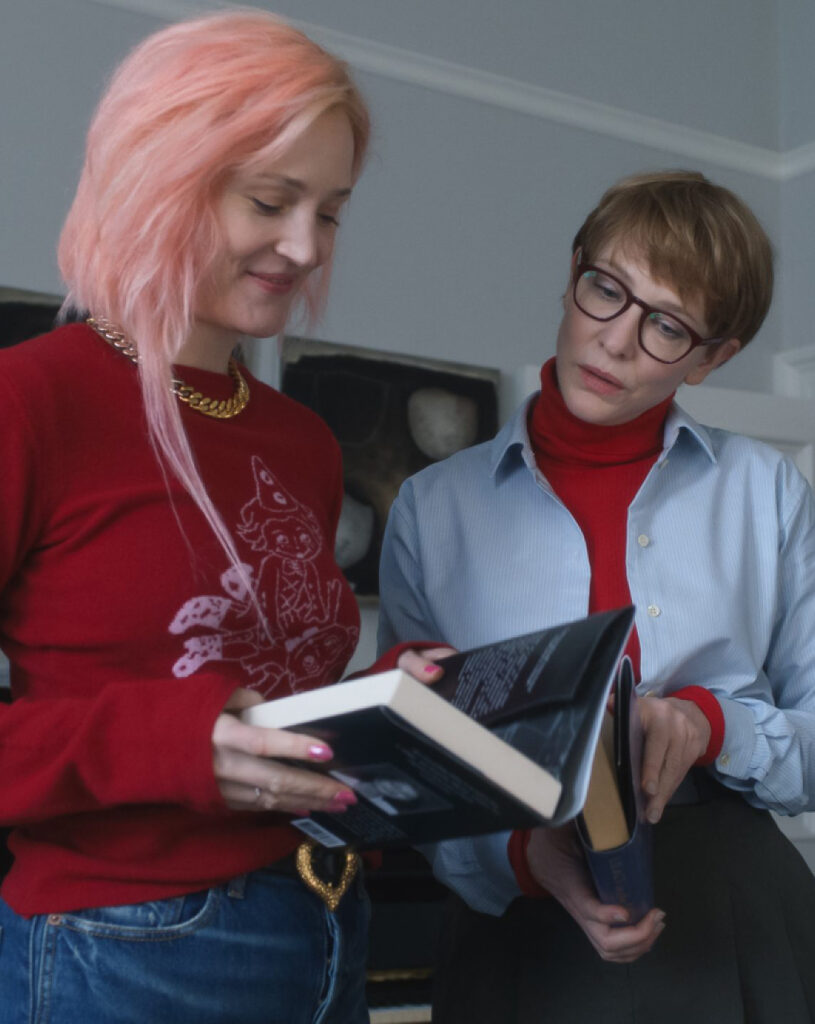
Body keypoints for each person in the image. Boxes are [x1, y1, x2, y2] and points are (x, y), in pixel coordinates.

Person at [0, 12, 445, 1023]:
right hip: (123, 949)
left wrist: (385, 701)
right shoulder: (29, 401)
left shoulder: (301, 440)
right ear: (161, 174)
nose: (303, 246)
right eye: (270, 200)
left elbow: (261, 691)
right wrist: (172, 746)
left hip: (327, 922)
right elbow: (188, 716)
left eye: (329, 211)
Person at [378, 170, 815, 1022]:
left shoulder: (766, 490)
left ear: (714, 355)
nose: (615, 341)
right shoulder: (432, 507)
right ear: (574, 269)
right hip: (517, 926)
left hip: (734, 910)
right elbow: (417, 773)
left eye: (667, 325)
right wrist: (520, 858)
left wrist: (711, 724)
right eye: (606, 290)